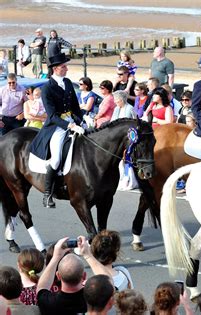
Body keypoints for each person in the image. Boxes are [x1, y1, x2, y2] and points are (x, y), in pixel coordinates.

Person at [29, 53, 84, 208]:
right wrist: (69, 126)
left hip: (73, 121)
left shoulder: (67, 82)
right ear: (55, 69)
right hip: (57, 127)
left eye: (66, 66)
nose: (66, 68)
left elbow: (75, 106)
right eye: (63, 66)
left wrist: (81, 121)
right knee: (56, 159)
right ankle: (47, 194)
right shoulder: (46, 88)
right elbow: (52, 115)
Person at [36, 237, 87, 314]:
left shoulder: (48, 302)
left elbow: (42, 287)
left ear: (58, 275)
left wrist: (55, 257)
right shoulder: (93, 298)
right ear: (84, 276)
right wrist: (88, 255)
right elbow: (109, 281)